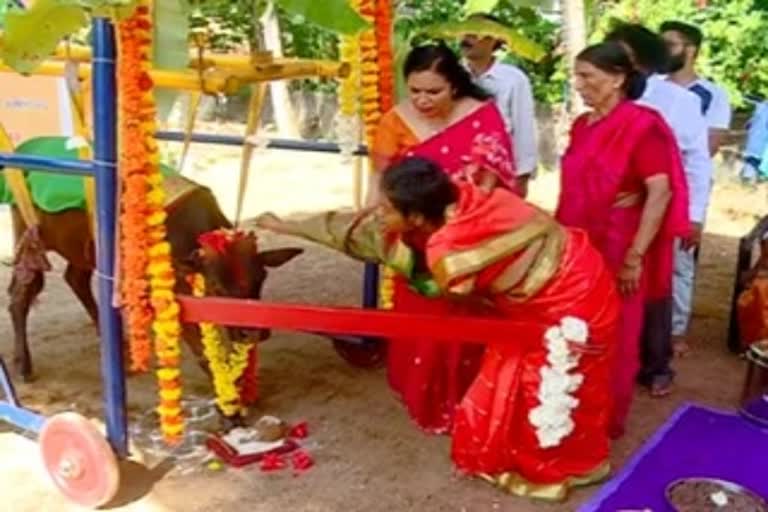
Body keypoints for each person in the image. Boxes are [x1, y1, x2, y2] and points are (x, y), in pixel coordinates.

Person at [256, 157, 619, 500]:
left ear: (415, 217)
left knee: (553, 385)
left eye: (385, 209)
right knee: (521, 379)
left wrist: (419, 279)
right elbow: (362, 232)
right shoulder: (461, 193)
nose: (376, 214)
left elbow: (442, 287)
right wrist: (284, 226)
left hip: (572, 301)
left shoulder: (449, 252)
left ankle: (567, 469)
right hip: (569, 270)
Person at [366, 42, 518, 434]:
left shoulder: (482, 116)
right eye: (414, 90)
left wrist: (462, 226)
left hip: (470, 237)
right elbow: (380, 181)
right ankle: (424, 396)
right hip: (414, 240)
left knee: (466, 312)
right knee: (421, 312)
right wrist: (375, 219)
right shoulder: (394, 121)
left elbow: (493, 182)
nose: (422, 100)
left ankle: (471, 399)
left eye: (433, 91)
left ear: (454, 85)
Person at [556, 42, 690, 438]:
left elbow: (660, 191)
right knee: (575, 324)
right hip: (579, 239)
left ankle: (603, 418)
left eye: (587, 76)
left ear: (617, 79)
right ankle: (568, 407)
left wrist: (635, 256)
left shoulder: (642, 124)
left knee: (616, 331)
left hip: (621, 242)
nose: (578, 84)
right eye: (577, 76)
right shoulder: (583, 125)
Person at [605, 23, 710, 395]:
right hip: (609, 211)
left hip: (659, 208)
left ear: (644, 61)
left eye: (623, 55)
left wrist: (695, 215)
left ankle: (655, 364)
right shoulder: (603, 95)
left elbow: (697, 161)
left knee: (655, 284)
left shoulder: (679, 101)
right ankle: (611, 356)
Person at [661, 20, 733, 357]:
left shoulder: (713, 94)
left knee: (680, 261)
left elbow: (711, 144)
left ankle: (676, 331)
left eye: (670, 43)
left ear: (690, 49)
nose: (663, 50)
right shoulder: (650, 86)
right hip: (649, 185)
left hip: (687, 187)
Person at [460, 12, 539, 197]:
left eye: (475, 33)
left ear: (494, 39)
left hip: (501, 170)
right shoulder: (451, 76)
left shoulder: (514, 79)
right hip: (459, 168)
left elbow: (523, 129)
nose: (467, 38)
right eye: (465, 32)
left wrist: (523, 176)